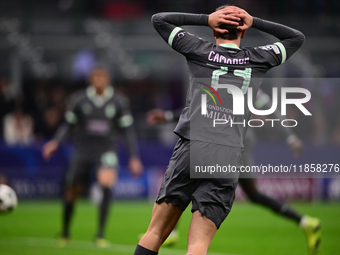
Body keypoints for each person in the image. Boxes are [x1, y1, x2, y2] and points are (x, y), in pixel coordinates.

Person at [135, 5, 308, 255]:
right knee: (198, 245)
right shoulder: (259, 58)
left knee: (155, 232)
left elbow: (159, 19)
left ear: (215, 30)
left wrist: (205, 19)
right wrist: (255, 20)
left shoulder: (198, 48)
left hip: (193, 145)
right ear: (244, 32)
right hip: (228, 155)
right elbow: (296, 38)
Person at [146, 88, 321, 254]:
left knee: (194, 177)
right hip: (235, 140)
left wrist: (290, 137)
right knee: (253, 193)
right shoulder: (241, 78)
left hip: (235, 142)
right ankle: (305, 222)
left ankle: (173, 232)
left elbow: (271, 111)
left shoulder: (241, 81)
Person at [42, 67, 143, 247]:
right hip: (83, 150)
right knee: (72, 190)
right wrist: (55, 142)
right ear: (91, 80)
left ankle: (100, 234)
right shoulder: (79, 100)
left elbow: (127, 131)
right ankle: (65, 232)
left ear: (107, 80)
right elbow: (67, 124)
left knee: (106, 183)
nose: (99, 81)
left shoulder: (119, 101)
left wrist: (133, 157)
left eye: (102, 78)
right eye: (95, 78)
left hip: (106, 150)